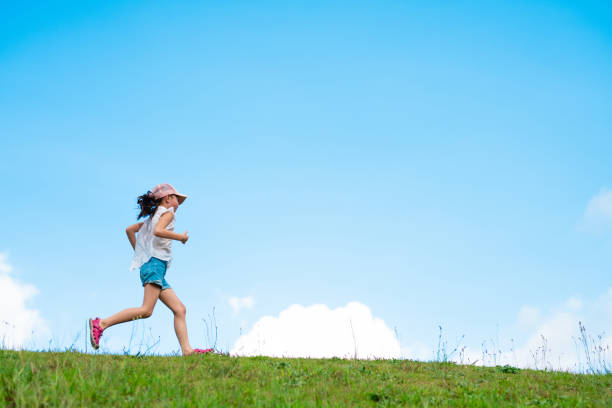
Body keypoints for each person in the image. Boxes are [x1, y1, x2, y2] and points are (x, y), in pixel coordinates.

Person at [89, 183, 212, 355]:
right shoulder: (167, 214)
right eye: (177, 198)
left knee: (179, 309)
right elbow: (158, 231)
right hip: (155, 265)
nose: (178, 203)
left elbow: (130, 230)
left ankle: (187, 350)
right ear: (168, 199)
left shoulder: (152, 218)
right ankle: (102, 323)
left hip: (154, 266)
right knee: (146, 310)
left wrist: (142, 255)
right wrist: (181, 238)